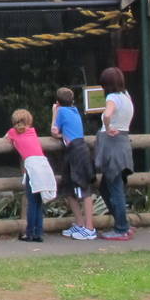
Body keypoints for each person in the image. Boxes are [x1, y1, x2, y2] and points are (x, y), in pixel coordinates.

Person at [93, 67, 134, 240]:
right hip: (123, 143)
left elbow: (107, 114)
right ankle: (122, 223)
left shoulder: (112, 98)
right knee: (107, 187)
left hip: (112, 145)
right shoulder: (126, 97)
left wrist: (108, 126)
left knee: (115, 188)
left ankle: (121, 228)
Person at [4, 108, 57, 243]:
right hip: (43, 164)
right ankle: (38, 233)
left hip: (32, 167)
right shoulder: (32, 131)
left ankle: (29, 233)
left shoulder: (13, 132)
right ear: (29, 121)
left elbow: (6, 138)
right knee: (39, 202)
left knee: (32, 202)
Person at [52, 87, 97, 239]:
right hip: (75, 151)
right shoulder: (74, 110)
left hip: (76, 152)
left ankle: (89, 228)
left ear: (58, 102)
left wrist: (54, 112)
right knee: (68, 189)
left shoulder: (61, 112)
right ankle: (79, 224)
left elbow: (54, 131)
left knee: (83, 188)